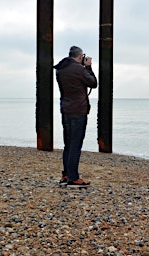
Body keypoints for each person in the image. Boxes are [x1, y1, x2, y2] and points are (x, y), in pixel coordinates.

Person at [53, 46, 97, 188]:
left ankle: (66, 174)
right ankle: (73, 177)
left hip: (66, 109)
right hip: (78, 110)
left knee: (68, 143)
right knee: (75, 145)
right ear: (79, 56)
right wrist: (88, 67)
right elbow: (93, 83)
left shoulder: (61, 69)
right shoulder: (79, 69)